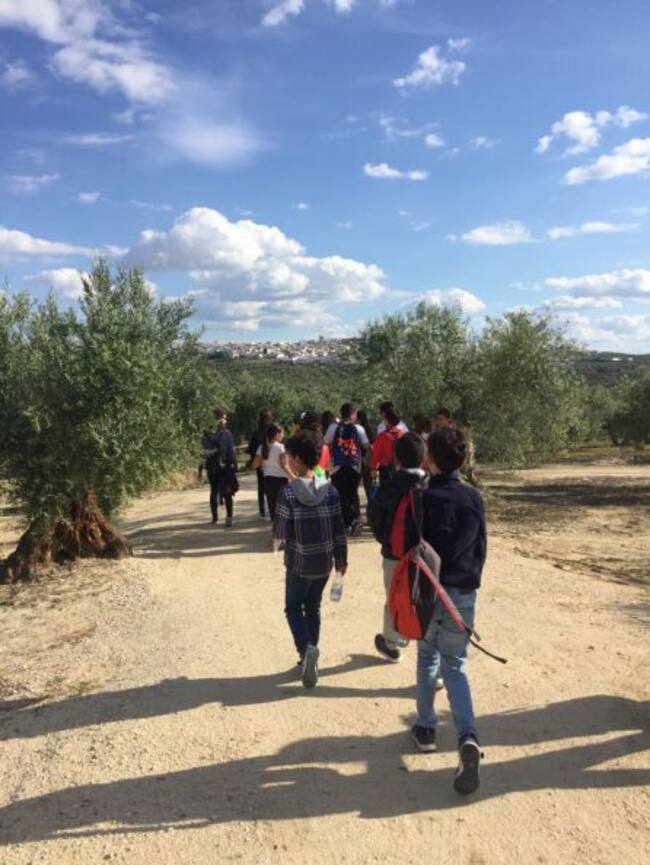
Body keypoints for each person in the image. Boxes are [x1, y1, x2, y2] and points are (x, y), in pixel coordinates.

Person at [414, 425, 487, 796]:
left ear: (430, 459)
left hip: (429, 594)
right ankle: (467, 737)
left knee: (427, 655)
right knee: (455, 666)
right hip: (462, 595)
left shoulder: (422, 498)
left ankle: (426, 728)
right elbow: (481, 549)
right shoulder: (474, 498)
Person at [274, 431, 348, 689]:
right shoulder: (330, 491)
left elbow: (281, 533)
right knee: (313, 606)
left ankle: (306, 652)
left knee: (293, 608)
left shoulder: (288, 494)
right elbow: (339, 530)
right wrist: (341, 560)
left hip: (298, 563)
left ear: (294, 458)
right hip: (324, 563)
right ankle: (311, 653)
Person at [369, 433, 427, 662]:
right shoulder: (431, 484)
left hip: (395, 553)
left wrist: (385, 540)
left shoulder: (389, 486)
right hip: (428, 556)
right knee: (427, 599)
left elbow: (375, 516)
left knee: (394, 597)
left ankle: (392, 643)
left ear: (396, 459)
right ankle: (431, 654)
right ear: (424, 458)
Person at [323, 402, 369, 534]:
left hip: (337, 466)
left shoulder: (333, 428)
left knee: (340, 495)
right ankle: (352, 521)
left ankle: (349, 522)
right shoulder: (359, 429)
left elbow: (325, 445)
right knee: (351, 494)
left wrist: (324, 466)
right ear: (353, 414)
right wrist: (368, 460)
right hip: (354, 466)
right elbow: (366, 447)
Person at [201, 408, 238, 528]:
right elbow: (231, 452)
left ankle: (215, 517)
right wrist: (234, 463)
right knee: (226, 492)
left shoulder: (207, 434)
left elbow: (204, 452)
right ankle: (228, 517)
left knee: (214, 490)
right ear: (220, 419)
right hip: (224, 467)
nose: (226, 420)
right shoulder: (226, 434)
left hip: (212, 466)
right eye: (224, 418)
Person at [252, 423, 293, 521]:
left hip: (267, 480)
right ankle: (283, 531)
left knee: (272, 507)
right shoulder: (280, 447)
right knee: (283, 508)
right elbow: (284, 465)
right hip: (281, 480)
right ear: (276, 434)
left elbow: (254, 465)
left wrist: (263, 463)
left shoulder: (261, 448)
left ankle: (275, 531)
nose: (283, 436)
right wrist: (293, 476)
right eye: (282, 433)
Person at [247, 409, 273, 518]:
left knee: (262, 487)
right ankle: (268, 509)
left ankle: (263, 510)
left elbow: (251, 449)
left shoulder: (256, 433)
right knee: (270, 486)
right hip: (270, 462)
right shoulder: (270, 431)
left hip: (261, 463)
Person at [370, 405, 405, 487]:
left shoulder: (382, 436)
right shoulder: (402, 435)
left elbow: (376, 455)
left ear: (387, 420)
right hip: (400, 468)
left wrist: (373, 468)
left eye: (384, 419)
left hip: (386, 470)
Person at [356, 409, 376, 506]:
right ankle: (371, 510)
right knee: (369, 488)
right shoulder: (371, 429)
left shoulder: (357, 430)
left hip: (359, 461)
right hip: (368, 461)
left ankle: (357, 512)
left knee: (355, 487)